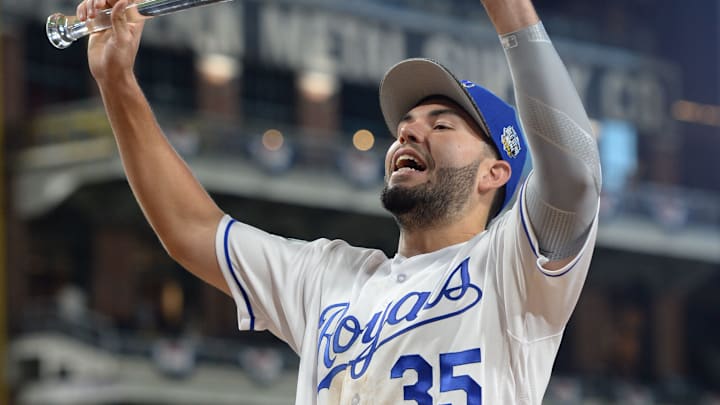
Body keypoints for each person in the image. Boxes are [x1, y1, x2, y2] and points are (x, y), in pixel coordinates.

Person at [75, 0, 601, 402]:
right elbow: (191, 229)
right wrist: (117, 81)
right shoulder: (331, 278)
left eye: (440, 125)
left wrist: (510, 11)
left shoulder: (515, 268)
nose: (408, 134)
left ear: (496, 172)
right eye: (404, 127)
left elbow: (574, 172)